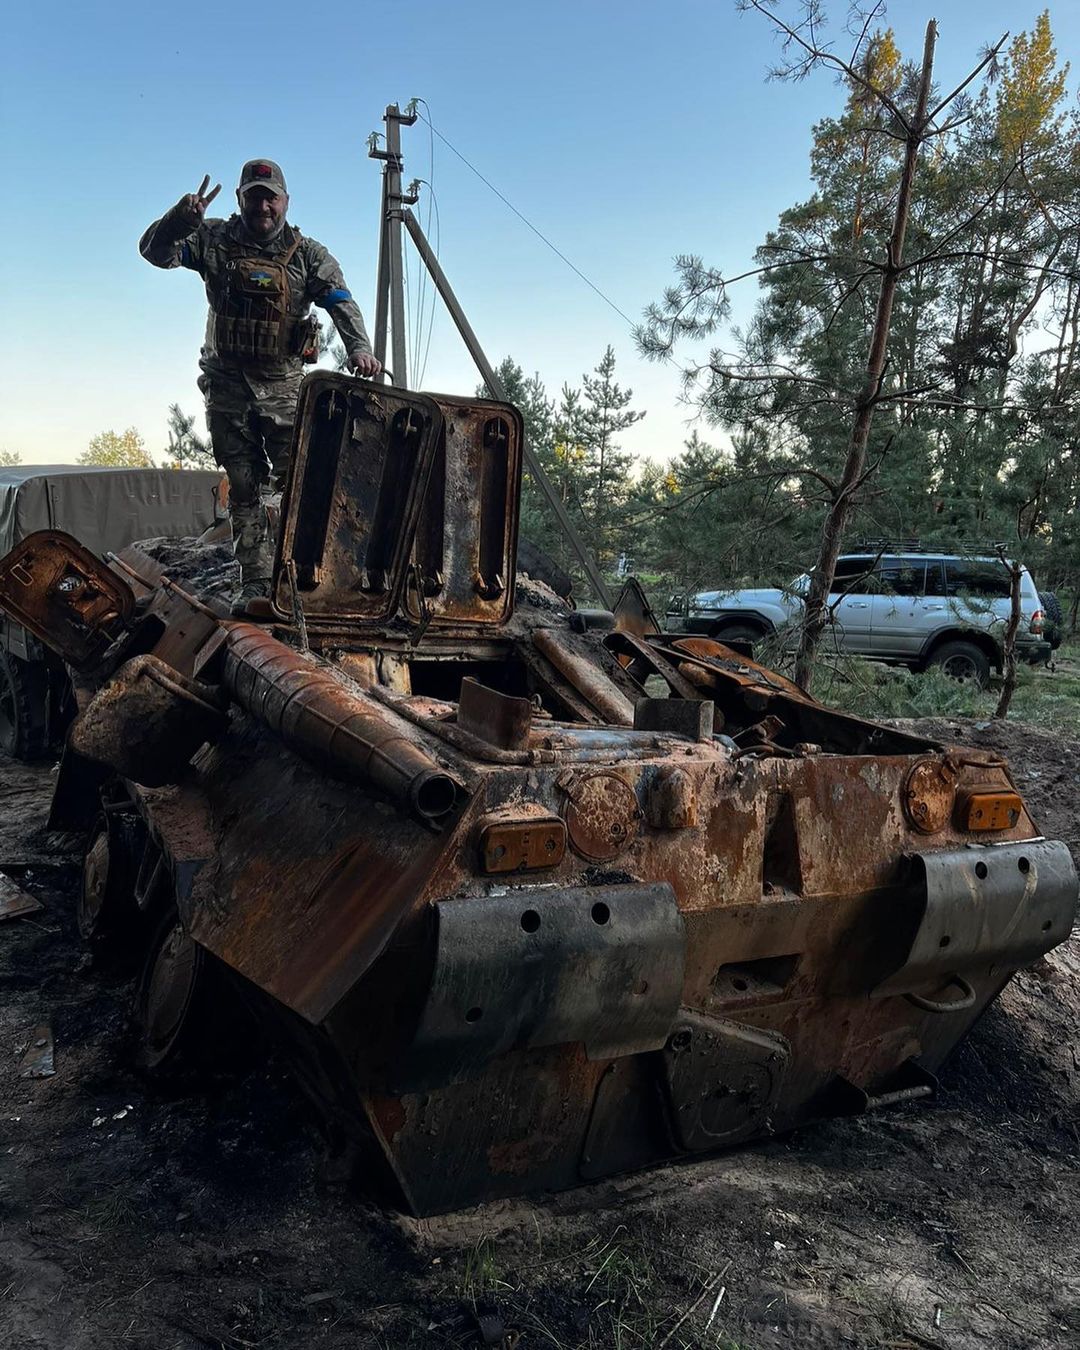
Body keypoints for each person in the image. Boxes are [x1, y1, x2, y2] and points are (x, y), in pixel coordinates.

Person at [140, 160, 381, 614]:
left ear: (285, 201)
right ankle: (254, 584)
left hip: (285, 392)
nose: (263, 205)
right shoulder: (212, 239)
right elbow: (154, 252)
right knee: (245, 485)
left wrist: (359, 349)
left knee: (304, 483)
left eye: (271, 196)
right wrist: (180, 219)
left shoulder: (307, 254)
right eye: (254, 195)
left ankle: (308, 578)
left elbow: (341, 304)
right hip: (227, 386)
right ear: (240, 199)